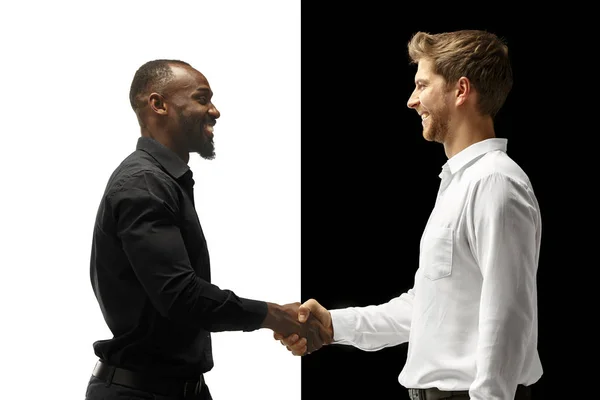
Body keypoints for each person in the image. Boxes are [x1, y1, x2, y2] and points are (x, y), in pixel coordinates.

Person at [276, 29, 543, 400]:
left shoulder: (495, 182)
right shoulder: (462, 182)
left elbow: (508, 316)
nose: (412, 100)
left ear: (460, 90)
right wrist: (334, 325)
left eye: (422, 85)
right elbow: (426, 308)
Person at [84, 59, 330, 400]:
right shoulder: (143, 184)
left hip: (180, 389)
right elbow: (181, 296)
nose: (214, 111)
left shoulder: (162, 181)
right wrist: (275, 316)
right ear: (158, 105)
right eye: (202, 98)